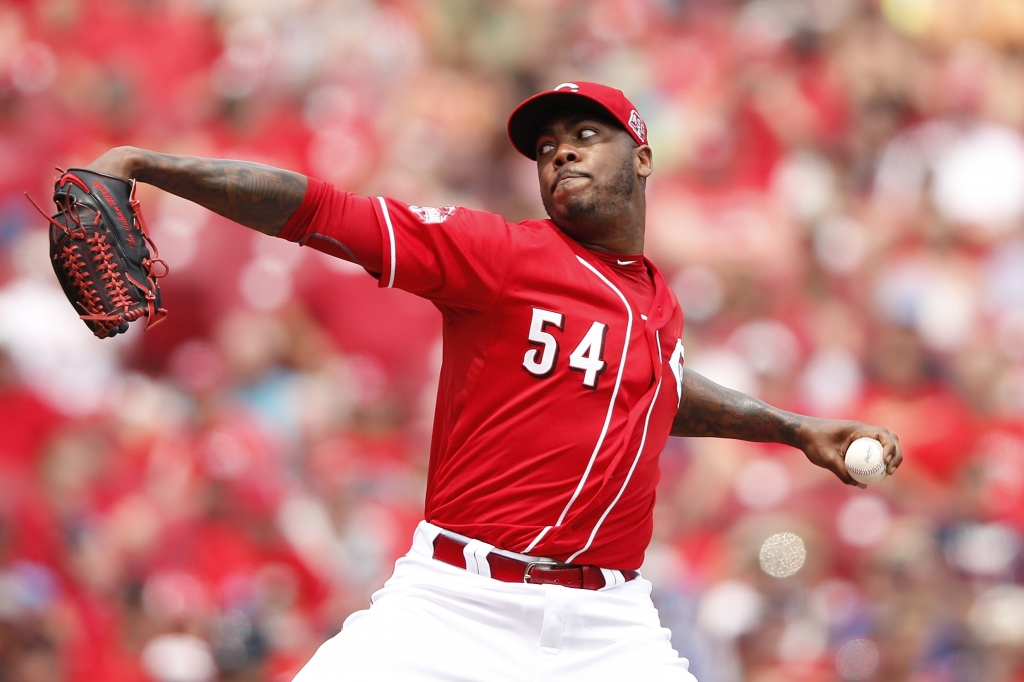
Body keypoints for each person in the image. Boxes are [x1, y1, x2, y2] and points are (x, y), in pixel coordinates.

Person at [86, 82, 903, 681]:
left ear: (643, 155)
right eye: (547, 149)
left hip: (607, 624)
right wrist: (145, 165)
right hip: (453, 603)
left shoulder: (657, 300)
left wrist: (795, 429)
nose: (562, 153)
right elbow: (321, 210)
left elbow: (659, 389)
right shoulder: (502, 255)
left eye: (587, 135)